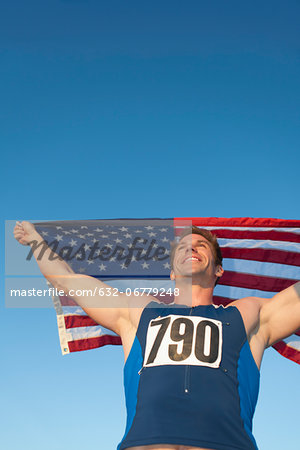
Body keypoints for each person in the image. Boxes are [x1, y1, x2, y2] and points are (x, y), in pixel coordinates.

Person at [14, 221, 300, 450]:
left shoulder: (246, 315)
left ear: (218, 269)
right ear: (172, 273)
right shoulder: (138, 311)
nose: (192, 248)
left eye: (201, 245)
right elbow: (65, 279)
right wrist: (36, 241)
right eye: (183, 248)